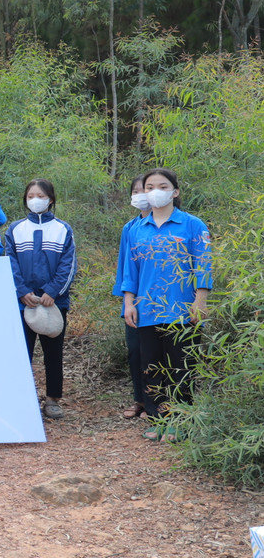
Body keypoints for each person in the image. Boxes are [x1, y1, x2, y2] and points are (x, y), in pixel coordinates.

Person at [121, 168, 211, 439]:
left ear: (175, 192)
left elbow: (203, 264)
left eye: (162, 186)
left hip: (182, 309)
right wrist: (129, 303)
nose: (155, 191)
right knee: (151, 366)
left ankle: (181, 422)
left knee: (181, 366)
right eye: (149, 187)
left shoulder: (193, 225)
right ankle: (159, 420)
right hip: (147, 309)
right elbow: (130, 270)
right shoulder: (137, 229)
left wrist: (201, 299)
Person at [6, 179, 77, 420]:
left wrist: (52, 292)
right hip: (23, 301)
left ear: (51, 199)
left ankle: (53, 399)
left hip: (54, 302)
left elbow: (68, 265)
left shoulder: (62, 229)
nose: (35, 199)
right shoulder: (15, 229)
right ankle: (21, 398)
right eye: (30, 196)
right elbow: (10, 263)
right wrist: (22, 291)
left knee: (53, 352)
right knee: (21, 351)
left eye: (41, 195)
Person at [113, 175, 153, 420]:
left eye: (144, 190)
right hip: (134, 300)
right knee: (135, 351)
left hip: (161, 302)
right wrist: (126, 300)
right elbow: (125, 266)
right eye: (135, 191)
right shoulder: (130, 228)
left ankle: (156, 404)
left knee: (157, 354)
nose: (139, 195)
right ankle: (139, 399)